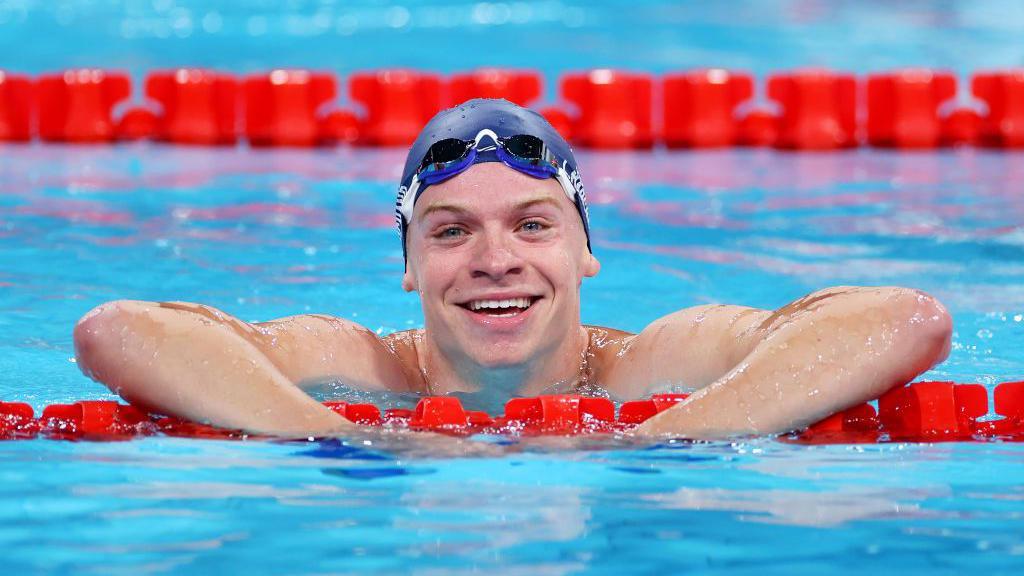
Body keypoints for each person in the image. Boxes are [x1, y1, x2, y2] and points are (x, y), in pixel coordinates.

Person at [72, 99, 952, 439]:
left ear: (585, 251)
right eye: (450, 232)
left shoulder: (644, 365)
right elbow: (121, 333)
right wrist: (351, 437)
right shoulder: (366, 368)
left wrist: (649, 440)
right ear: (409, 269)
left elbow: (901, 320)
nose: (496, 262)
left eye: (532, 224)